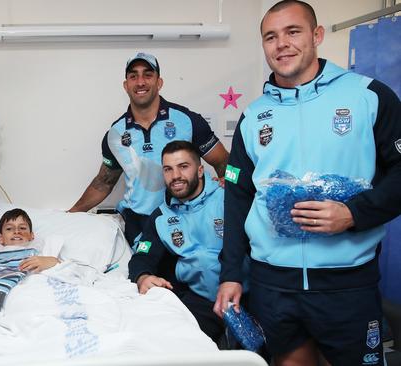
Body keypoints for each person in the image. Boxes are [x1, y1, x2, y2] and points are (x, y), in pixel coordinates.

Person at [214, 1, 401, 365]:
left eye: (292, 32)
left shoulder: (368, 96)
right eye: (271, 36)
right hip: (273, 284)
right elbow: (237, 199)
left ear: (316, 36)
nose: (281, 44)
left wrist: (353, 213)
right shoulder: (253, 117)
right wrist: (232, 274)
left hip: (345, 282)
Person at [69, 52, 229, 247]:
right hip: (139, 224)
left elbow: (225, 162)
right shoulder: (115, 133)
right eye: (133, 76)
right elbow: (103, 183)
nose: (140, 82)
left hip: (185, 219)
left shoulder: (187, 120)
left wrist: (230, 191)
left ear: (159, 82)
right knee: (142, 274)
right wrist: (71, 215)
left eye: (147, 74)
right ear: (126, 85)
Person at [128, 140, 246, 342]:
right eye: (168, 169)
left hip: (243, 297)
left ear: (200, 170)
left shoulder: (228, 198)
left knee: (262, 353)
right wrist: (143, 277)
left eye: (183, 167)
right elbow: (142, 255)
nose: (175, 176)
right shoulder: (161, 217)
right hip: (201, 302)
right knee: (164, 341)